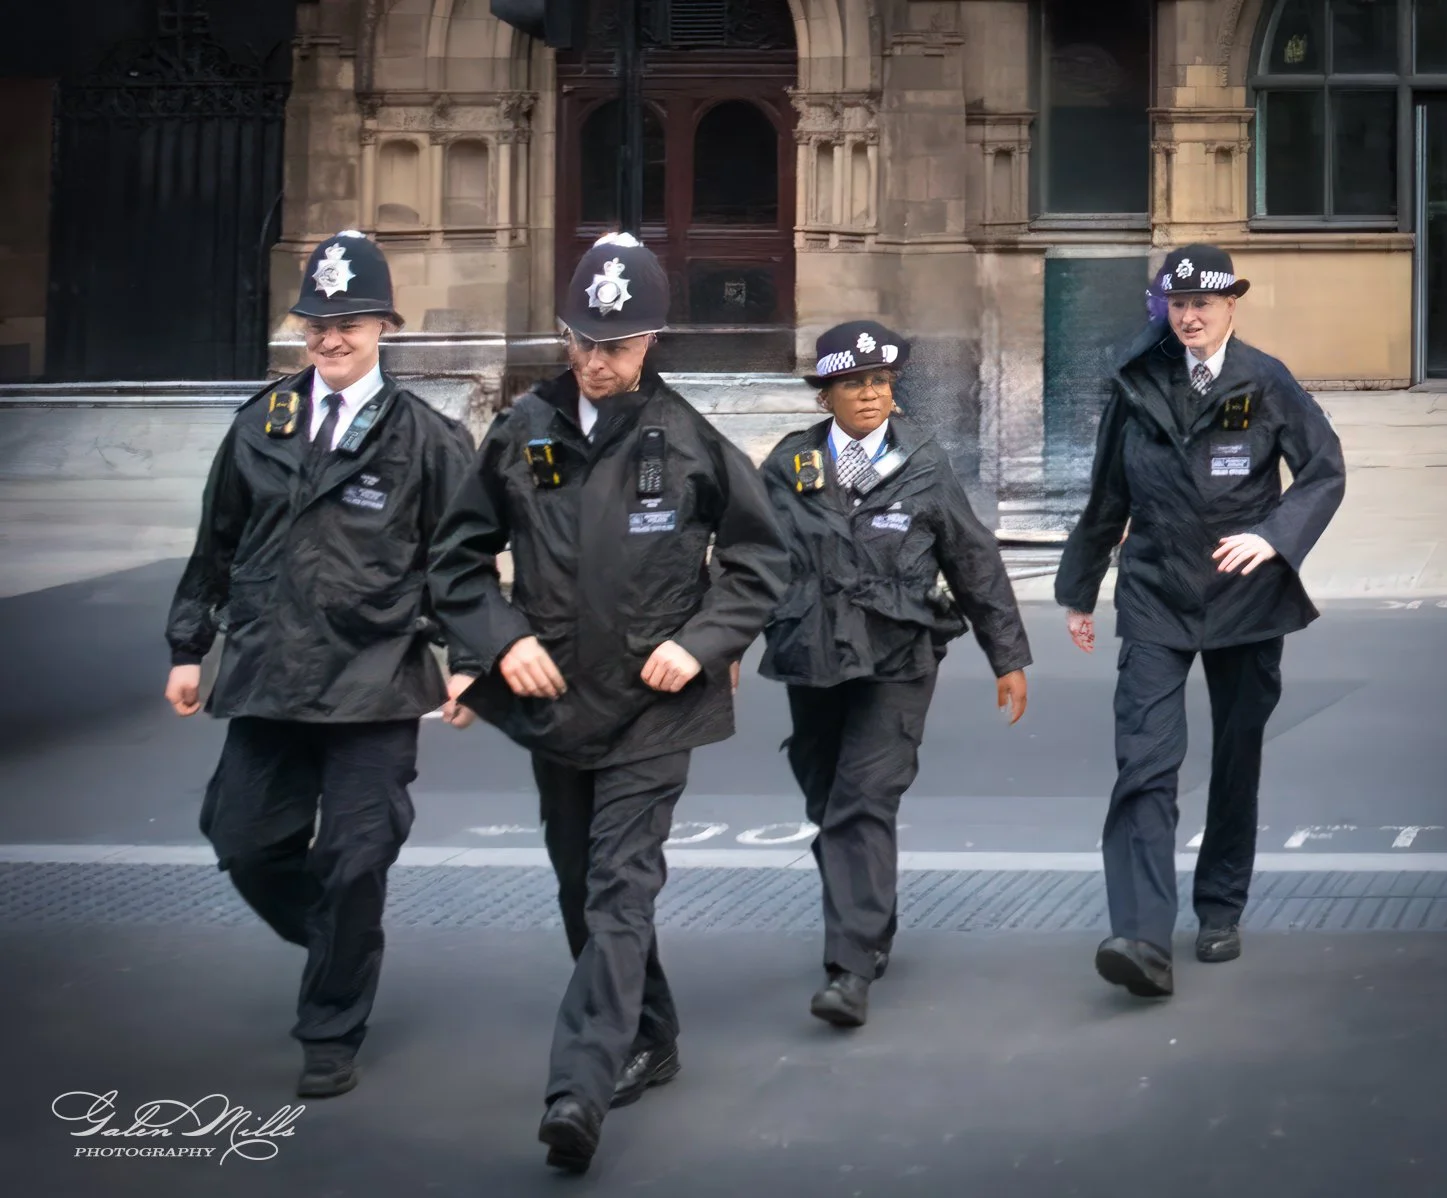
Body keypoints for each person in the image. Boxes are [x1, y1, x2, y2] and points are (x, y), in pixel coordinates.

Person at [427, 232, 789, 1173]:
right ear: (562, 334)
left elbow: (759, 562)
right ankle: (654, 1030)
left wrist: (700, 643)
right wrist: (500, 643)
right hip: (556, 705)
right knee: (582, 890)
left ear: (652, 342)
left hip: (654, 707)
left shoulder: (689, 439)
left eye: (617, 345)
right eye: (584, 340)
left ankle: (578, 1089)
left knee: (621, 888)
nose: (597, 361)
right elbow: (457, 563)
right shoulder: (521, 433)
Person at [163, 229, 480, 1097]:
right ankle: (343, 937)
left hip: (375, 678)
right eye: (315, 325)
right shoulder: (258, 425)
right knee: (241, 841)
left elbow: (462, 561)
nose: (329, 339)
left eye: (347, 322)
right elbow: (214, 544)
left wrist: (469, 659)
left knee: (354, 859)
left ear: (384, 325)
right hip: (268, 673)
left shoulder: (427, 438)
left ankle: (330, 1027)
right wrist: (190, 645)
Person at [1055, 244, 1345, 998]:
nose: (1189, 316)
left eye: (1204, 304)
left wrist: (1276, 536)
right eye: (1177, 304)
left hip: (1246, 596)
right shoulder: (1139, 381)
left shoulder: (1264, 379)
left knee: (1236, 756)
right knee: (1144, 761)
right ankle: (1142, 935)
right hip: (1155, 591)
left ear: (1230, 307)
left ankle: (1219, 907)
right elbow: (1106, 492)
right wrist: (1080, 589)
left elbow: (1323, 469)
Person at [757, 320, 1032, 1028]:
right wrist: (719, 646)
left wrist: (1007, 656)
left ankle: (847, 968)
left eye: (881, 381)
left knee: (861, 799)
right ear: (826, 395)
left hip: (897, 657)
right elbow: (748, 563)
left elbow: (973, 560)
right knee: (827, 799)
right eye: (854, 383)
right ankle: (869, 921)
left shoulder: (924, 463)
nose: (872, 394)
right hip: (813, 657)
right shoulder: (789, 466)